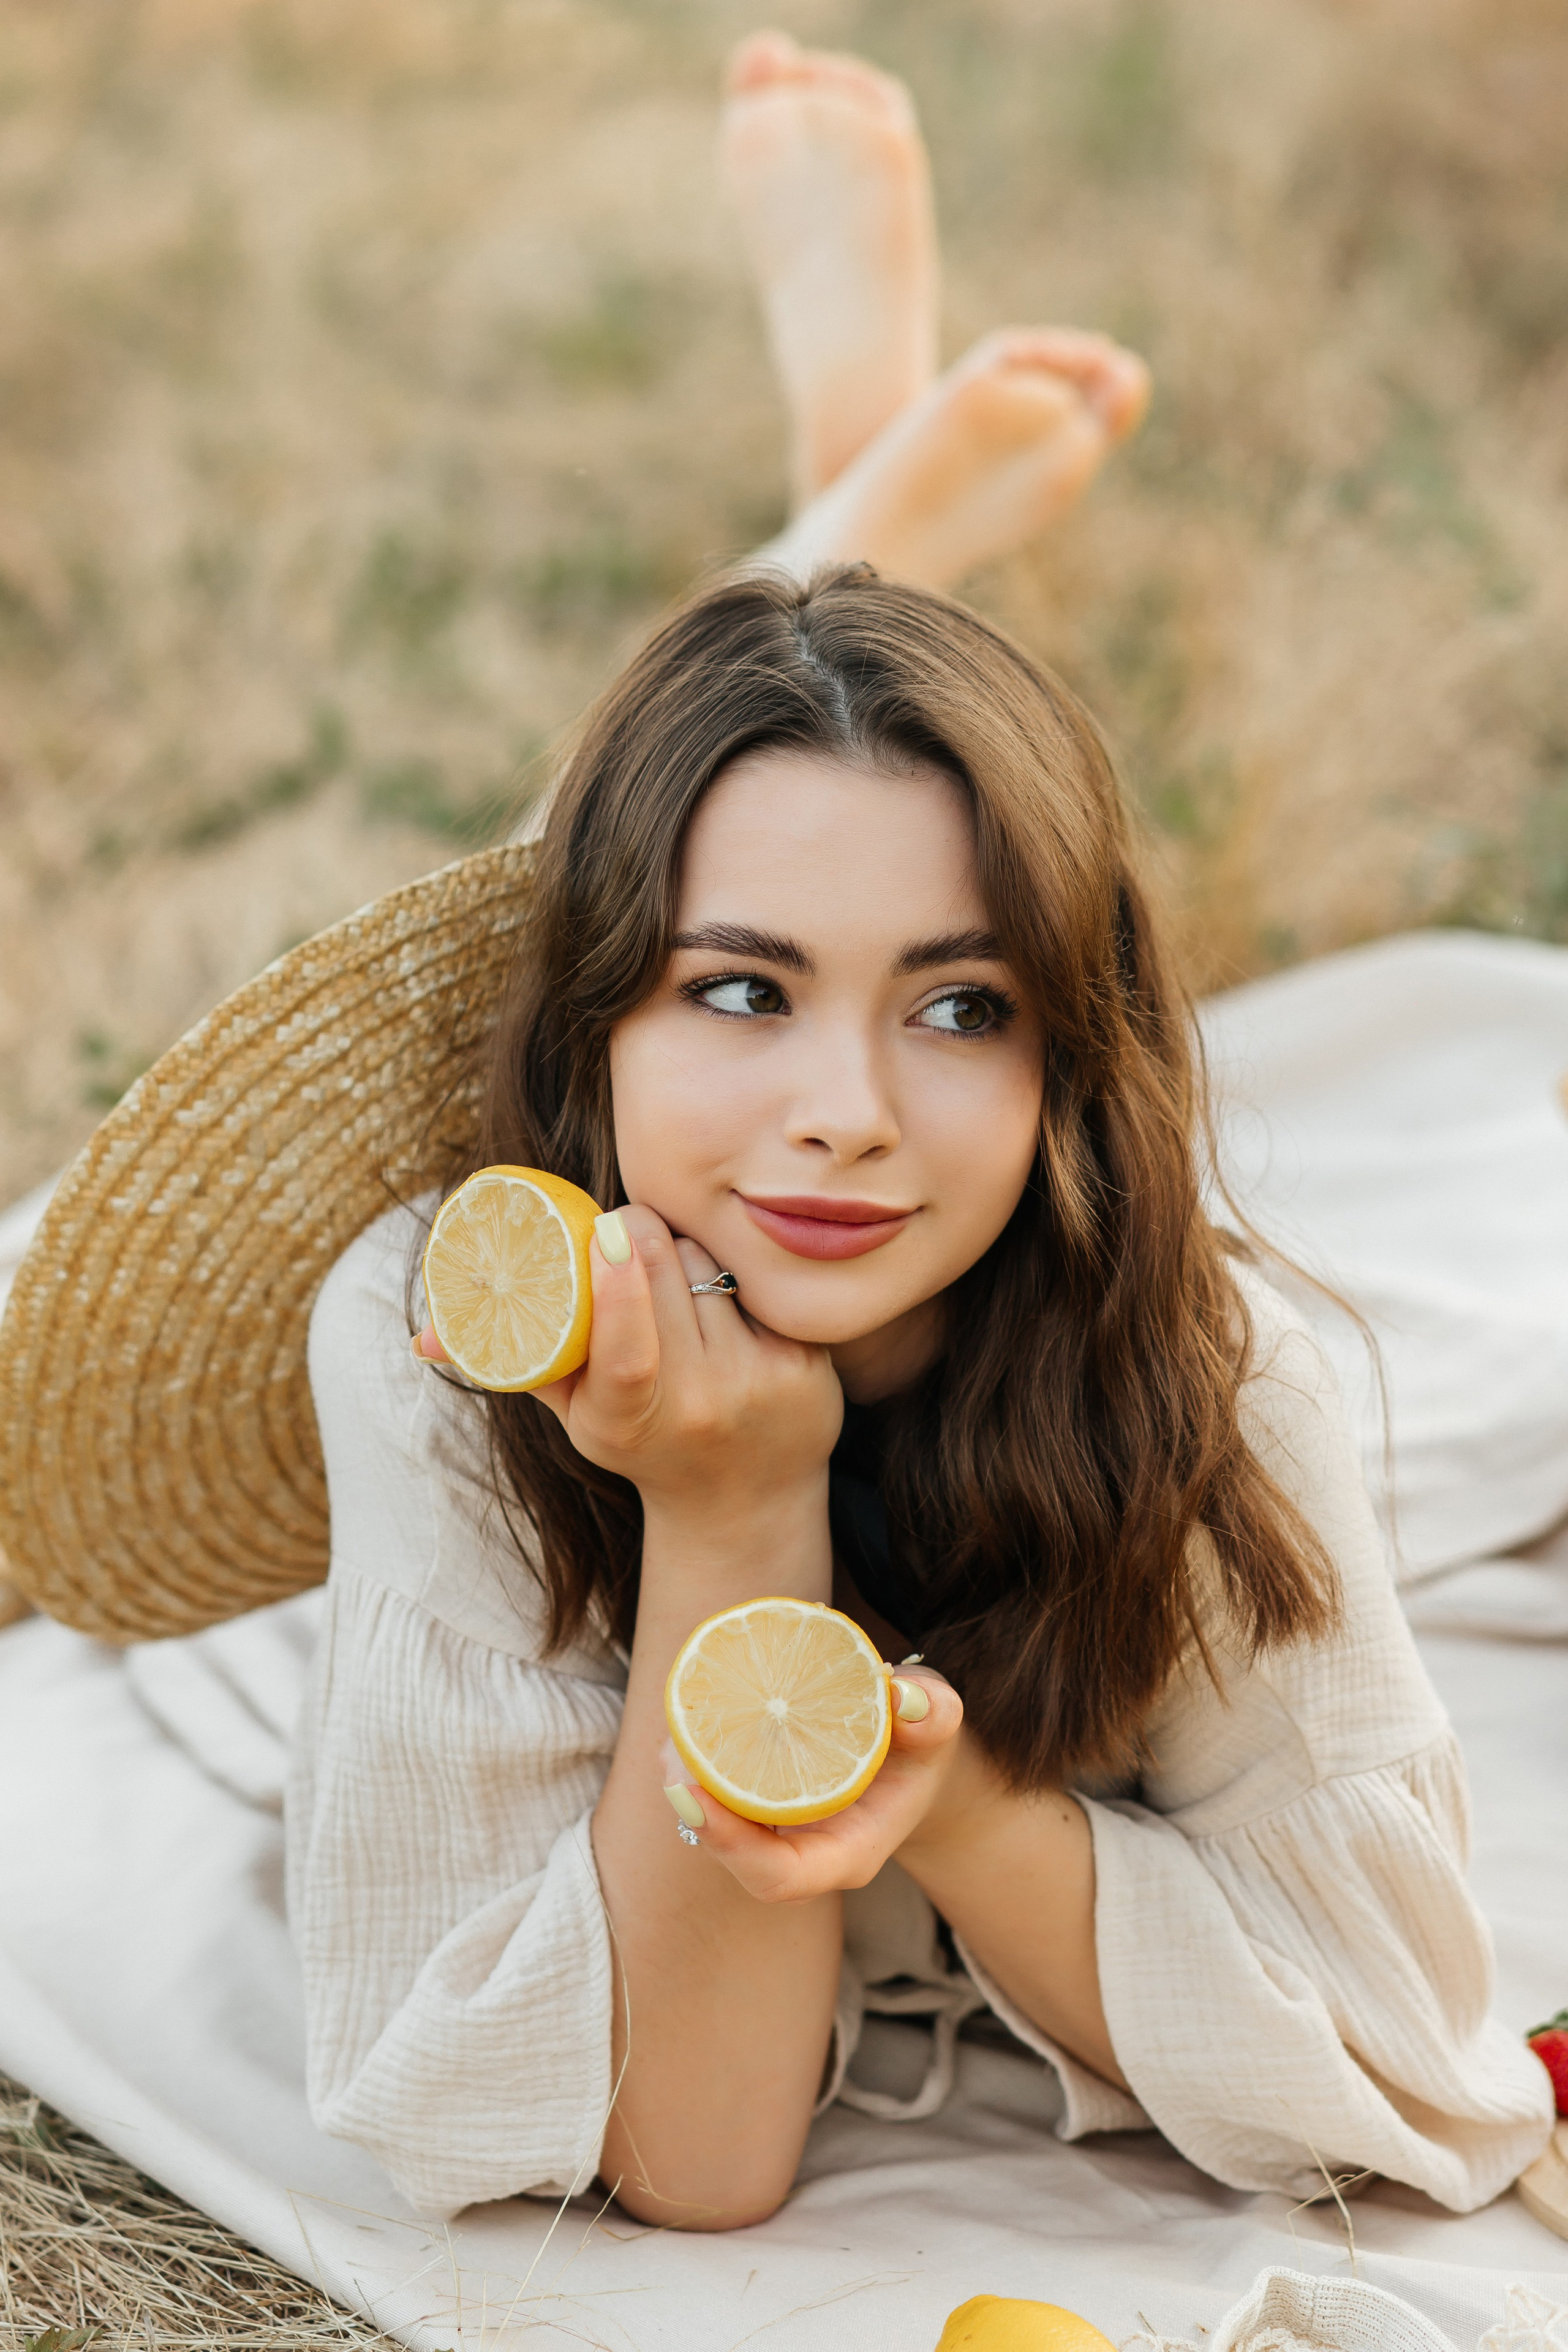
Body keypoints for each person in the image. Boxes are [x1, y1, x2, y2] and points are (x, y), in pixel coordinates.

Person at [283, 32, 1554, 2233]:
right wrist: (733, 1494)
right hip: (573, 1215)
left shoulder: (1222, 1382)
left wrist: (948, 1810)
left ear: (1073, 1064)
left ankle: (863, 529)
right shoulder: (424, 1336)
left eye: (966, 1008)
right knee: (725, 824)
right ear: (599, 1047)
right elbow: (695, 2158)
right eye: (738, 992)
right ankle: (855, 522)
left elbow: (1420, 2082)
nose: (847, 1119)